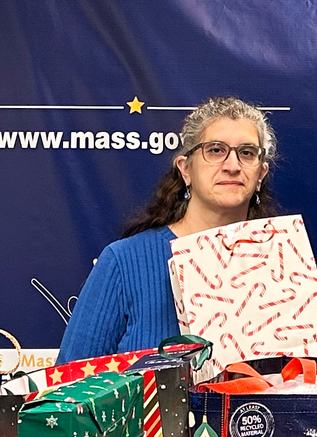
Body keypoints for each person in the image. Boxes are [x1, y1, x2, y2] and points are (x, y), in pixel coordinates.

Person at [58, 96, 279, 361]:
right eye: (215, 150)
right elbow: (68, 386)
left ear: (260, 174)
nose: (232, 166)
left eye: (247, 153)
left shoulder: (283, 263)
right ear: (185, 169)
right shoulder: (124, 261)